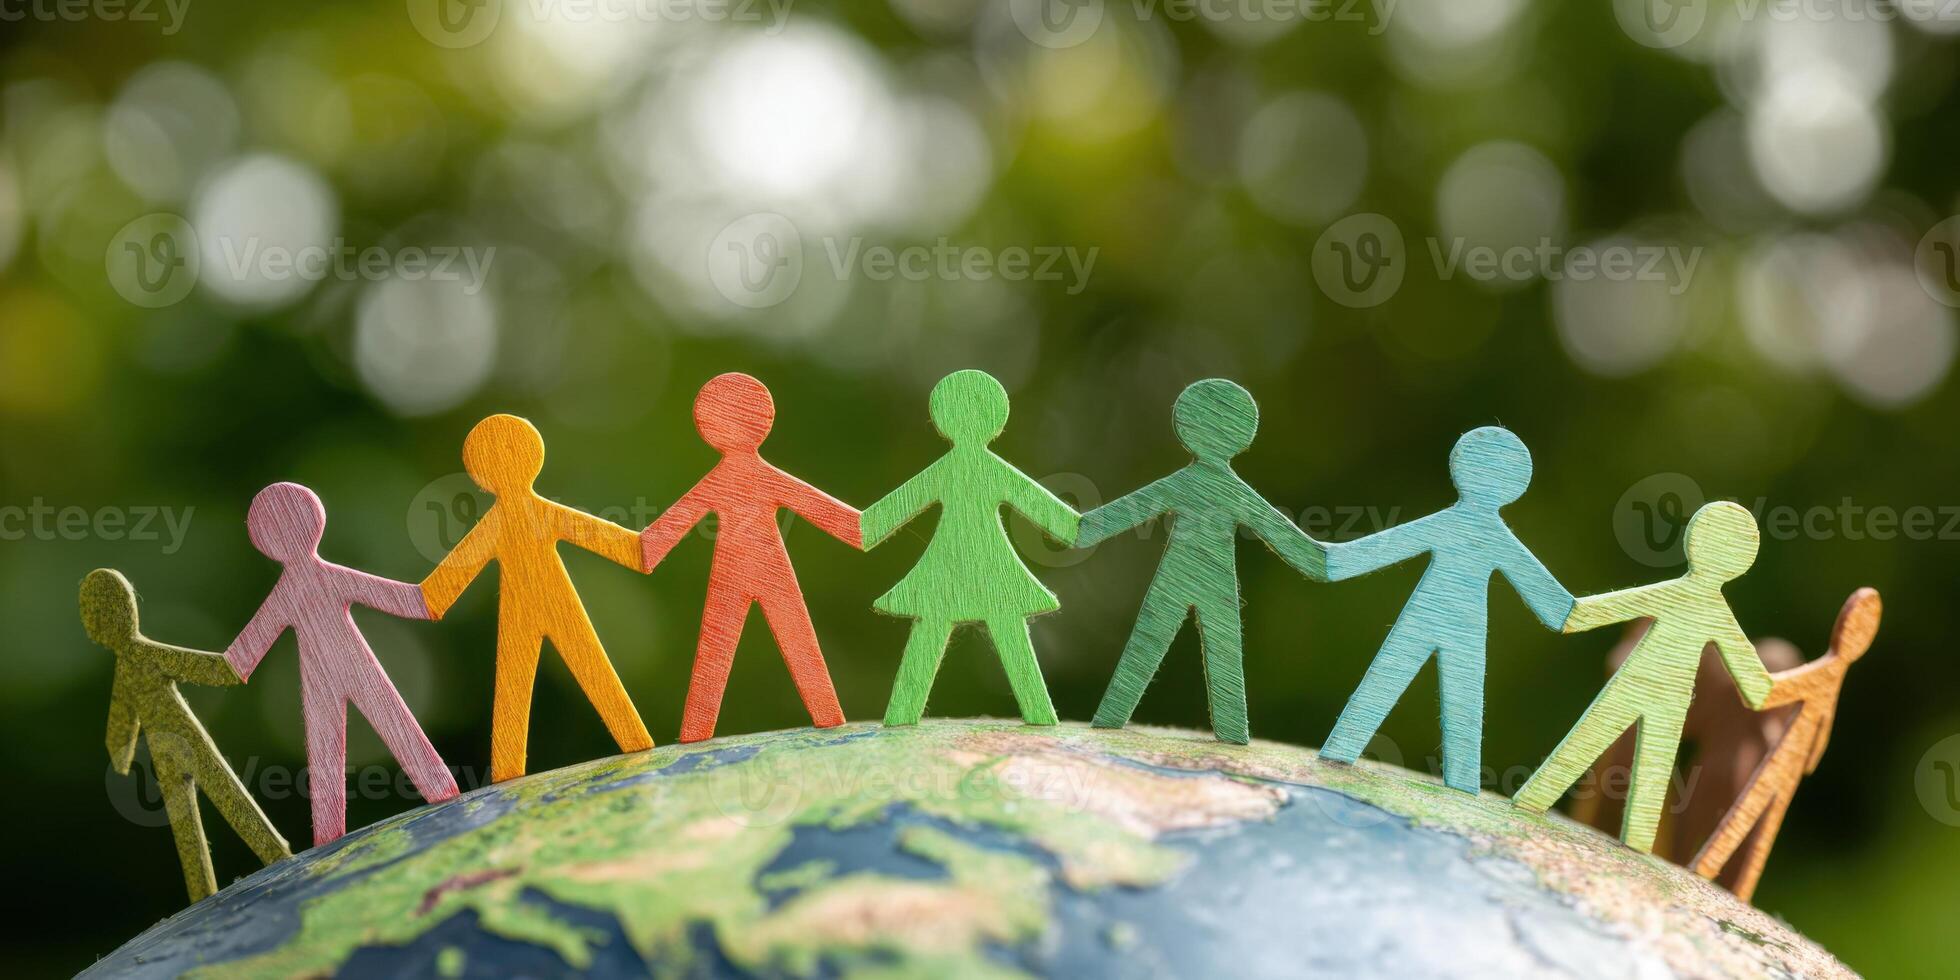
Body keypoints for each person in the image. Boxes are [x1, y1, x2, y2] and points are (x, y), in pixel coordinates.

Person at [1319, 427, 1573, 791]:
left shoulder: (1468, 528)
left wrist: (1331, 561)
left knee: (1413, 683)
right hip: (1453, 623)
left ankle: (1352, 750)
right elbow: (1553, 604)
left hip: (1442, 620)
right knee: (1444, 691)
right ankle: (1454, 778)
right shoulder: (1487, 534)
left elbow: (1378, 549)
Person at [1513, 501, 1772, 854]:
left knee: (1632, 756)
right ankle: (1539, 800)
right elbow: (1752, 677)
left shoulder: (1698, 605)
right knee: (1600, 742)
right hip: (1647, 686)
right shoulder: (1704, 607)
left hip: (1658, 691)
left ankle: (1553, 804)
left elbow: (1592, 611)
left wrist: (1566, 612)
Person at [1079, 379, 1326, 745]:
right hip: (1208, 582)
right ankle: (1224, 730)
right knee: (1207, 650)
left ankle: (1118, 716)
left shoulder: (1194, 484)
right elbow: (1296, 545)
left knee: (1157, 644)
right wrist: (1329, 562)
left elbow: (1102, 523)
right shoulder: (1225, 489)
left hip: (1190, 579)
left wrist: (1070, 527)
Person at [423, 414, 653, 781]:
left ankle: (513, 764)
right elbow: (624, 546)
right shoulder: (528, 516)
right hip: (536, 607)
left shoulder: (506, 521)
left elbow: (442, 588)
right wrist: (650, 545)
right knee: (575, 671)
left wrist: (422, 599)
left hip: (542, 606)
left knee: (528, 682)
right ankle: (626, 738)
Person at [228, 483, 460, 845]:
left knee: (358, 733)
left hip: (338, 670)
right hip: (332, 672)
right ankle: (339, 825)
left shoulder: (298, 588)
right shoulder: (310, 584)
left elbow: (244, 653)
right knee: (354, 734)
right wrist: (436, 593)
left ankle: (428, 789)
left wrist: (436, 593)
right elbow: (407, 600)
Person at [642, 373, 863, 742]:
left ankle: (700, 728)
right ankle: (702, 728)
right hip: (751, 570)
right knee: (746, 641)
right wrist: (865, 527)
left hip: (753, 570)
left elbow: (659, 537)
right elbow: (841, 520)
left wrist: (640, 548)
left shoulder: (728, 480)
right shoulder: (750, 478)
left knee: (726, 645)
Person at [862, 369, 1078, 726]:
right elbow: (1061, 523)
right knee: (998, 625)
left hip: (954, 570)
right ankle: (1038, 713)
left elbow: (876, 522)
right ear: (997, 421)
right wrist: (1091, 526)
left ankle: (904, 715)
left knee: (937, 624)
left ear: (941, 420)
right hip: (986, 570)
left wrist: (853, 526)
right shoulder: (989, 470)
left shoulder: (950, 470)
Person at [86, 568, 289, 900]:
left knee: (221, 795)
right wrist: (235, 665)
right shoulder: (132, 663)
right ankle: (207, 887)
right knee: (192, 813)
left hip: (177, 743)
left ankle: (271, 853)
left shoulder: (140, 658)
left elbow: (204, 669)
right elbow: (122, 716)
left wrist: (119, 752)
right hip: (166, 749)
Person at [1691, 588, 1879, 901]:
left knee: (1759, 821)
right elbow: (1769, 695)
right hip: (1775, 762)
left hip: (1784, 763)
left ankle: (1730, 876)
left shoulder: (1826, 677)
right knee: (1746, 813)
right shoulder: (1820, 675)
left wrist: (1806, 756)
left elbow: (1785, 701)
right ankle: (1710, 865)